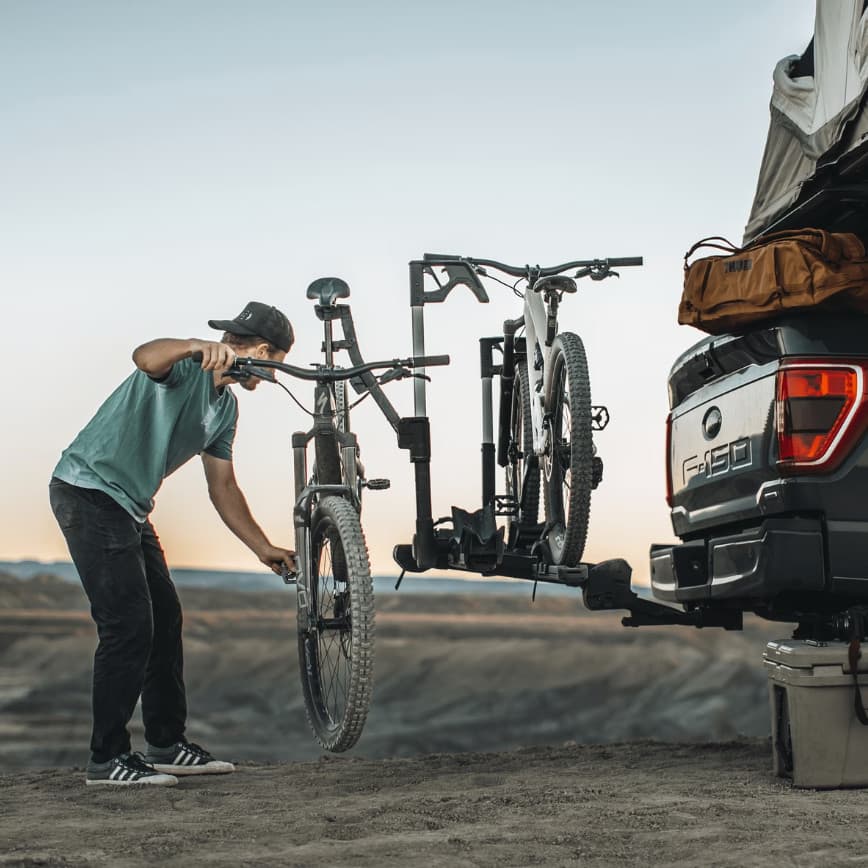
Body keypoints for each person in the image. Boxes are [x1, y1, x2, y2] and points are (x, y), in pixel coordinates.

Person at [49, 301, 297, 787]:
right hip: (88, 490)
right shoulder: (185, 368)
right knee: (128, 624)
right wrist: (190, 346)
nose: (274, 374)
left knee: (165, 619)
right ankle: (107, 760)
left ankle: (164, 742)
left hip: (128, 507)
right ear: (266, 352)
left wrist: (261, 547)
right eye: (278, 362)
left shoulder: (225, 408)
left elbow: (222, 487)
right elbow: (144, 357)